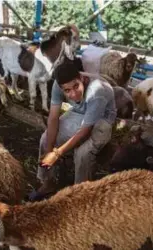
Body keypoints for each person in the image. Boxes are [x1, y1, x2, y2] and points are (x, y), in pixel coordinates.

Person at [29, 59, 117, 201]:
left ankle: (80, 195)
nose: (74, 94)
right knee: (45, 140)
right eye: (67, 91)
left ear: (82, 78)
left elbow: (85, 131)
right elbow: (53, 118)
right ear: (61, 87)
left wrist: (56, 154)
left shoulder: (97, 91)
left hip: (102, 119)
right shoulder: (58, 85)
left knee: (82, 154)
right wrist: (49, 150)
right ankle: (48, 182)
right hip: (79, 113)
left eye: (76, 86)